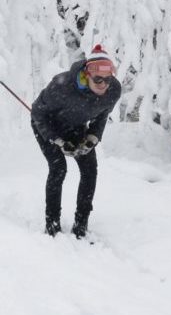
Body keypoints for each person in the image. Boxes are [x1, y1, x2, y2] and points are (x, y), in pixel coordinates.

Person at [30, 44, 121, 238]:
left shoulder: (113, 90)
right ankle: (52, 224)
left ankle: (81, 224)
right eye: (98, 78)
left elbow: (102, 114)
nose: (103, 84)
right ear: (87, 75)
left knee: (89, 170)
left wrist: (92, 138)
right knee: (59, 168)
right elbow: (38, 112)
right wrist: (57, 141)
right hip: (48, 126)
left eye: (107, 79)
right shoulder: (62, 85)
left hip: (77, 126)